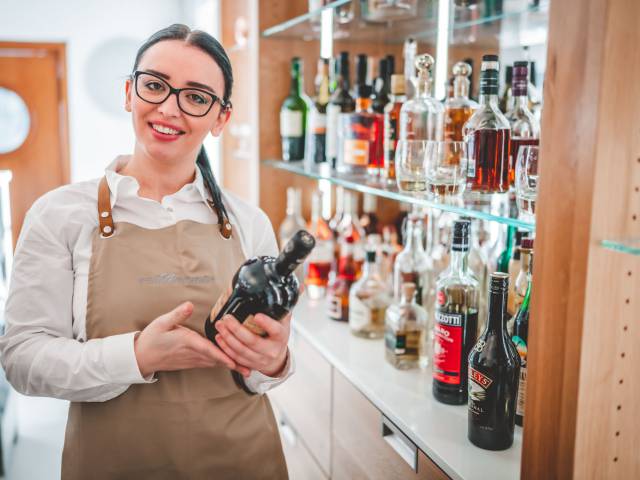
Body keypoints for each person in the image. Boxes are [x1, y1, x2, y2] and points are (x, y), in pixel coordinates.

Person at [0, 24, 292, 479]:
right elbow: (22, 358)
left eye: (196, 97)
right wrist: (136, 356)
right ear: (128, 93)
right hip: (114, 463)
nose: (169, 108)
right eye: (154, 85)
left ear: (220, 119)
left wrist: (273, 360)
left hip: (242, 459)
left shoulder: (248, 223)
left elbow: (258, 372)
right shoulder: (59, 214)